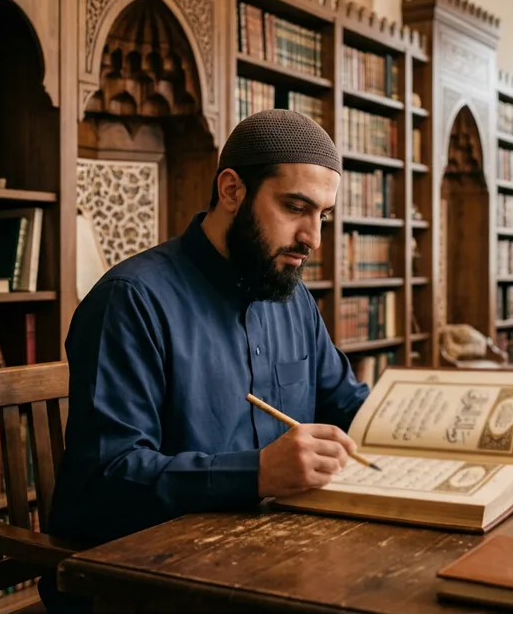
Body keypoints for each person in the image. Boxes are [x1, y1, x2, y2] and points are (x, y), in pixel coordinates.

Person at [40, 110, 371, 612]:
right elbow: (105, 481)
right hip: (149, 585)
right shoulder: (131, 300)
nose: (313, 238)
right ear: (232, 190)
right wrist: (257, 473)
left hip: (271, 562)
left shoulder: (291, 296)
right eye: (295, 207)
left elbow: (347, 405)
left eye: (322, 215)